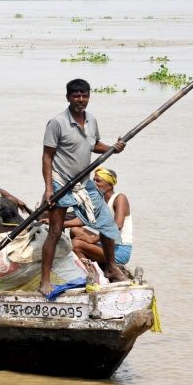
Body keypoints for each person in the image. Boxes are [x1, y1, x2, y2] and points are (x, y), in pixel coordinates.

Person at [40, 78, 127, 297]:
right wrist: (49, 189)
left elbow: (94, 145)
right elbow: (47, 157)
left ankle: (111, 267)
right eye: (76, 96)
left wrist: (112, 148)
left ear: (89, 97)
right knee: (55, 232)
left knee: (108, 225)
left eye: (84, 95)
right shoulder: (57, 123)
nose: (81, 100)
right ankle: (45, 280)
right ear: (68, 97)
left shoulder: (91, 120)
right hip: (61, 182)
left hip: (83, 182)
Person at [70, 167, 133, 265]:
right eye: (93, 180)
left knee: (75, 244)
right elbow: (80, 218)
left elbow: (117, 226)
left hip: (119, 250)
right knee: (75, 230)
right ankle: (90, 260)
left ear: (110, 185)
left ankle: (90, 272)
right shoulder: (99, 201)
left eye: (98, 181)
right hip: (106, 245)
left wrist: (93, 239)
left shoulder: (120, 198)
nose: (94, 184)